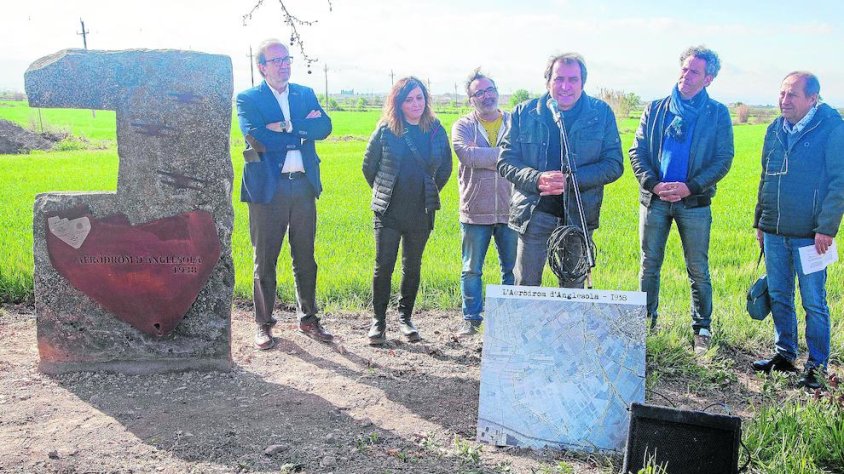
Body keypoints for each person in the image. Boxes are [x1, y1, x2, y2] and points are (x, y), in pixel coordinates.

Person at [629, 46, 733, 354]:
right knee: (649, 264)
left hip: (694, 203)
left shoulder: (717, 114)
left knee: (698, 267)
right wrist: (654, 184)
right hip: (655, 200)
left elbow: (723, 159)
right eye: (684, 69)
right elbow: (637, 152)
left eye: (695, 72)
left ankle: (702, 329)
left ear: (708, 79)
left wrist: (691, 187)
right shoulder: (656, 109)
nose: (686, 75)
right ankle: (646, 325)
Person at [236, 39, 334, 350]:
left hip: (303, 186)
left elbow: (325, 128)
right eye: (276, 60)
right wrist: (301, 132)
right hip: (267, 189)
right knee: (265, 259)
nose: (284, 65)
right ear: (262, 67)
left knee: (305, 257)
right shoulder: (248, 98)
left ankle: (308, 319)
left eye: (286, 59)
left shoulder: (304, 94)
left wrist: (286, 126)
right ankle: (263, 324)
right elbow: (256, 139)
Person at [498, 53, 623, 288]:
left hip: (578, 216)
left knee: (573, 289)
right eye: (559, 79)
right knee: (526, 286)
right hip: (534, 214)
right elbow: (506, 161)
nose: (566, 86)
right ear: (548, 81)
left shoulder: (600, 114)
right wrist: (536, 179)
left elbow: (614, 164)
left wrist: (571, 180)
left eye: (573, 79)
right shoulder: (524, 113)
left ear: (583, 82)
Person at [752, 71, 844, 390]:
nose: (784, 100)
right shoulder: (774, 129)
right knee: (779, 295)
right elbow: (766, 178)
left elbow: (839, 183)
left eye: (792, 94)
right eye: (782, 93)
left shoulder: (832, 129)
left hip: (811, 235)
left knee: (813, 302)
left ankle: (817, 366)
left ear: (812, 99)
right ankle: (785, 354)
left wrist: (826, 228)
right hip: (775, 230)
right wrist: (761, 222)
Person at [362, 77, 452, 346]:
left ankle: (405, 318)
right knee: (383, 266)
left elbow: (445, 168)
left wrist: (429, 191)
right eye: (409, 99)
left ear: (426, 100)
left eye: (419, 98)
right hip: (388, 211)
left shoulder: (436, 130)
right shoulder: (386, 129)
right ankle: (378, 321)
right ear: (398, 103)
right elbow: (369, 167)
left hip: (421, 211)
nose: (415, 104)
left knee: (412, 266)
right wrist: (384, 190)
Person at [451, 69, 517, 337]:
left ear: (497, 92)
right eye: (479, 93)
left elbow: (522, 155)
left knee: (513, 269)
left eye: (490, 90)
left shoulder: (514, 122)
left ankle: (510, 319)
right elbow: (468, 156)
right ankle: (471, 319)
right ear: (471, 99)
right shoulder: (463, 126)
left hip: (512, 209)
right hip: (475, 210)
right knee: (471, 269)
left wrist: (485, 157)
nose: (486, 96)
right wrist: (505, 157)